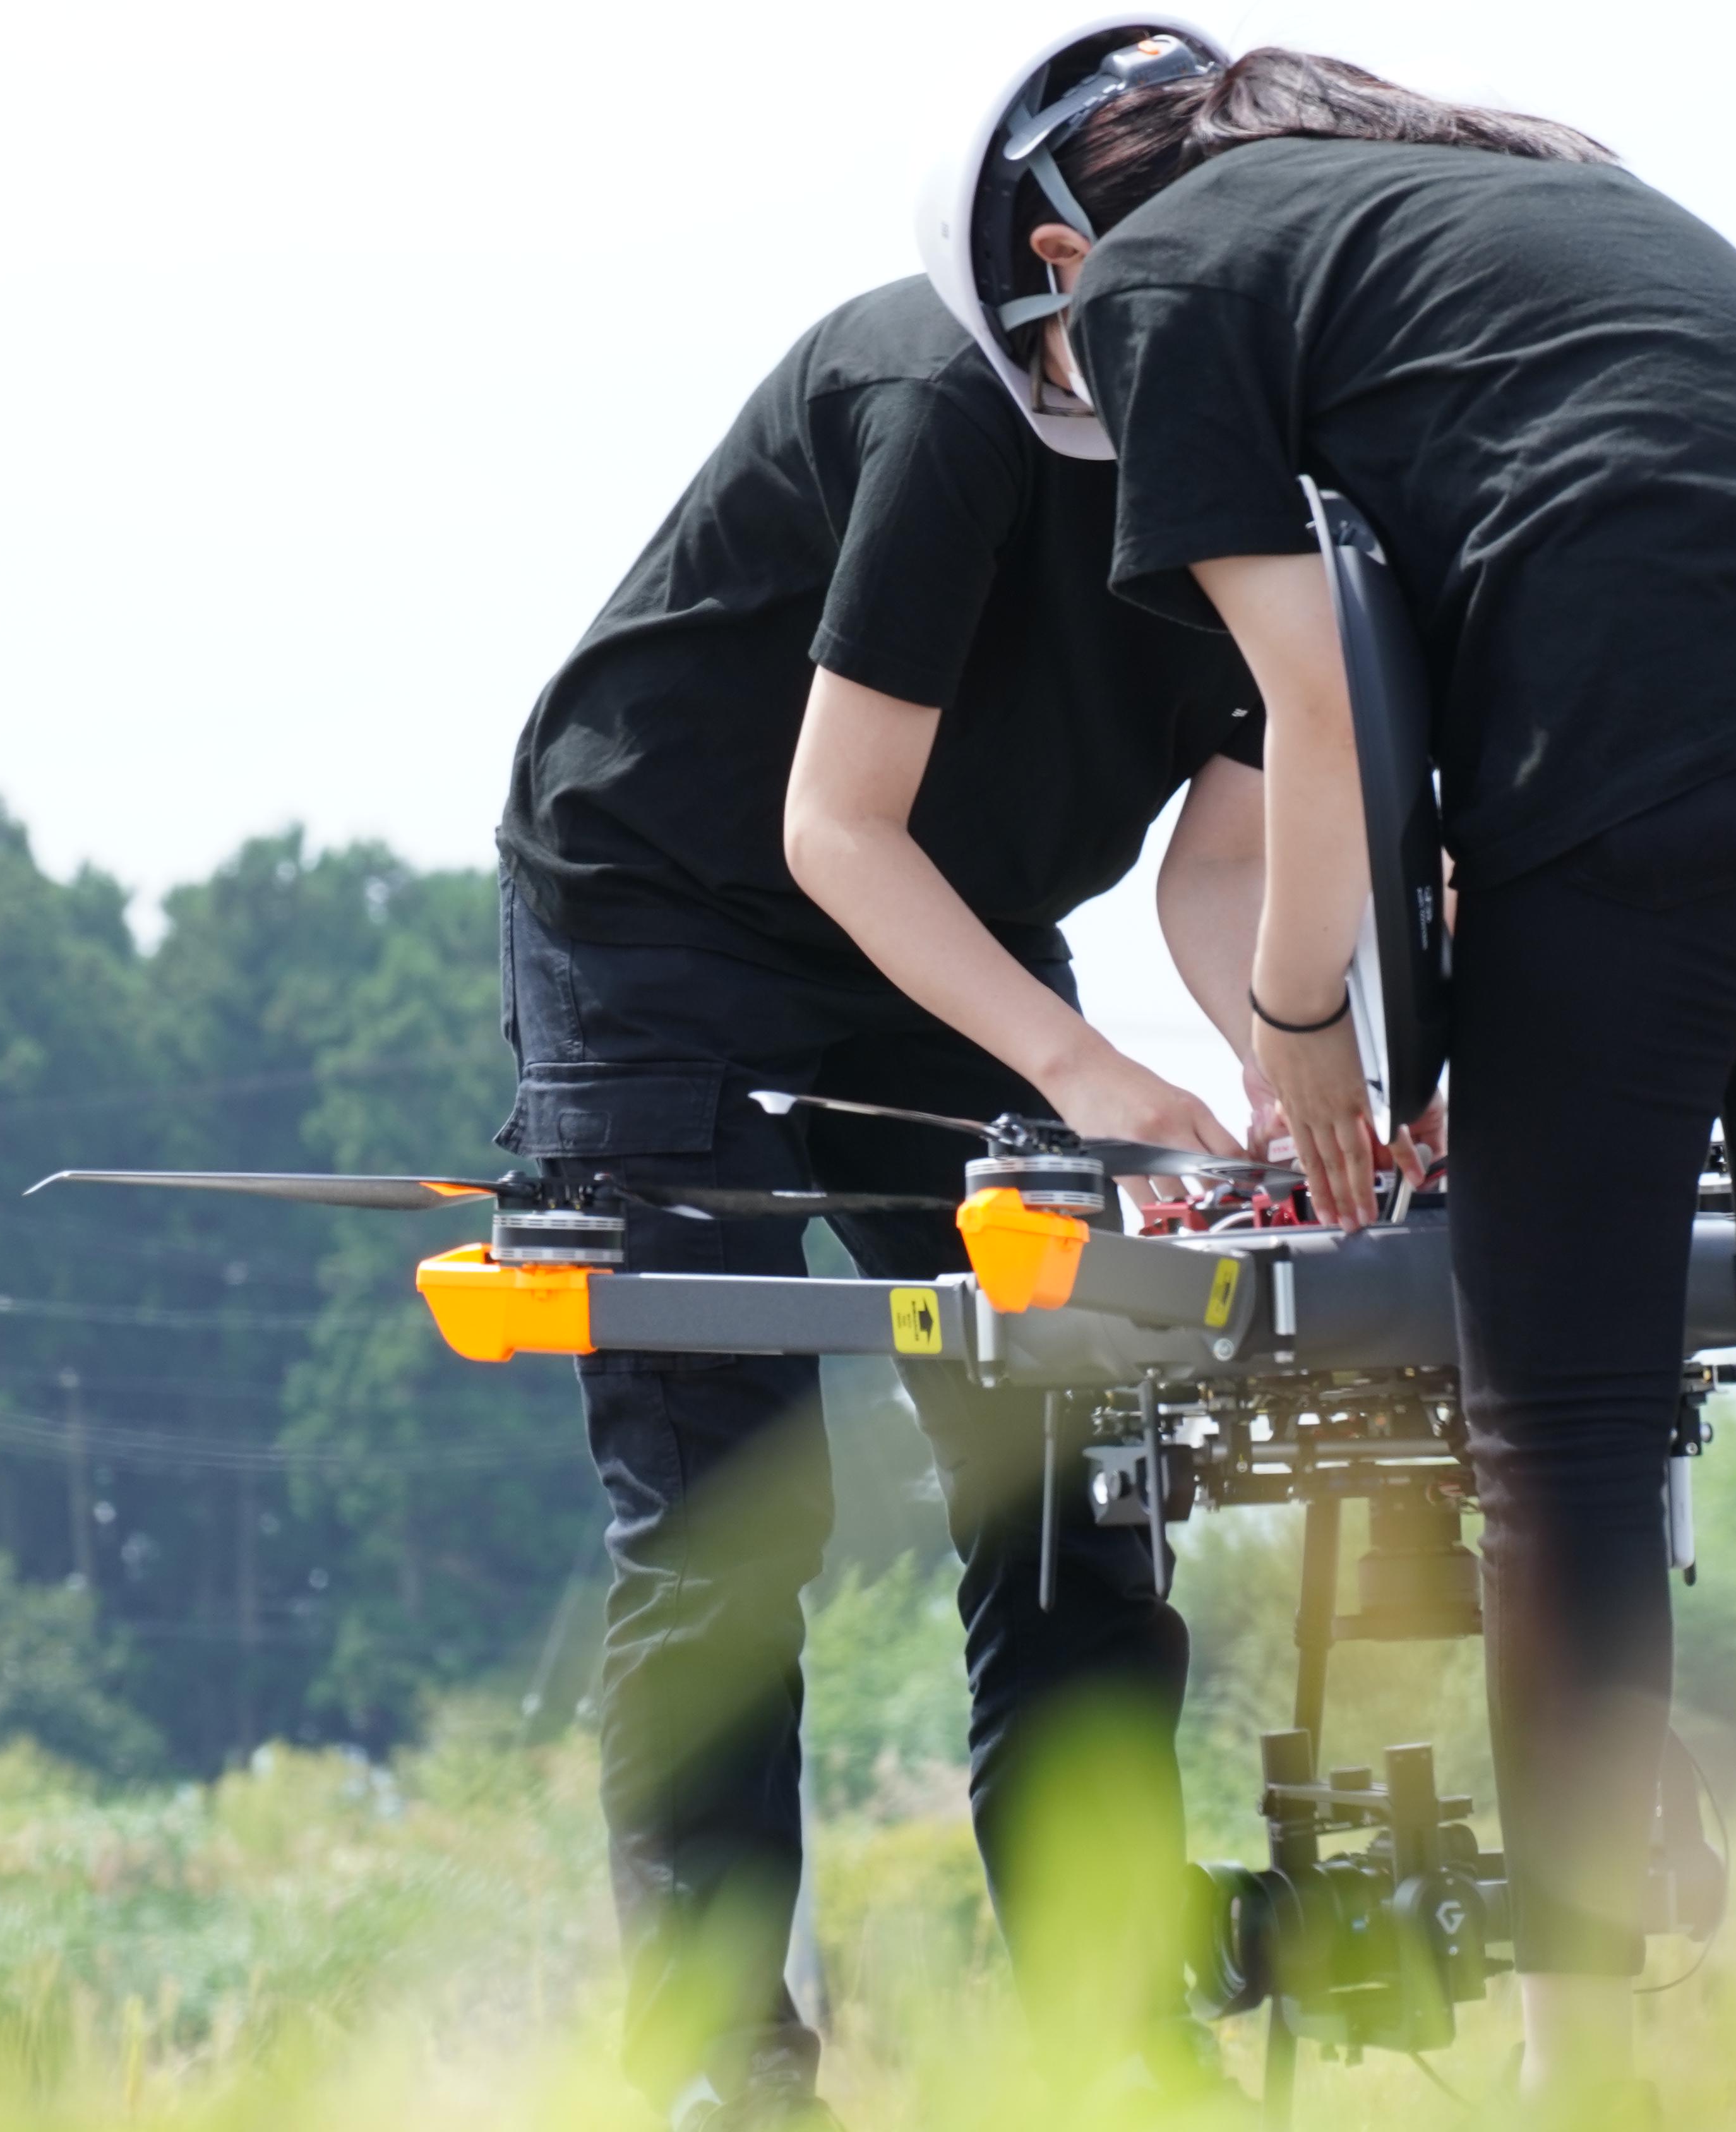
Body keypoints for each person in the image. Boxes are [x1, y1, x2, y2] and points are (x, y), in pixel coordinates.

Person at [1015, 45, 1736, 2131]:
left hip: (1653, 743)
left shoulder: (1157, 278)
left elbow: (1315, 706)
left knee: (1555, 1434)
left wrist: (1305, 1024)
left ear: (1056, 253)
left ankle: (1591, 2085)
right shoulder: (1508, 194)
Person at [493, 24, 1269, 2126]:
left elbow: (1225, 862)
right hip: (673, 914)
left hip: (963, 926)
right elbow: (835, 831)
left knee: (1072, 1477)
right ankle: (728, 2077)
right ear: (1061, 271)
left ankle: (1117, 2043)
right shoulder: (946, 400)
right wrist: (1084, 1070)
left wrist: (1292, 1081)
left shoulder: (1273, 463)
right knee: (734, 1511)